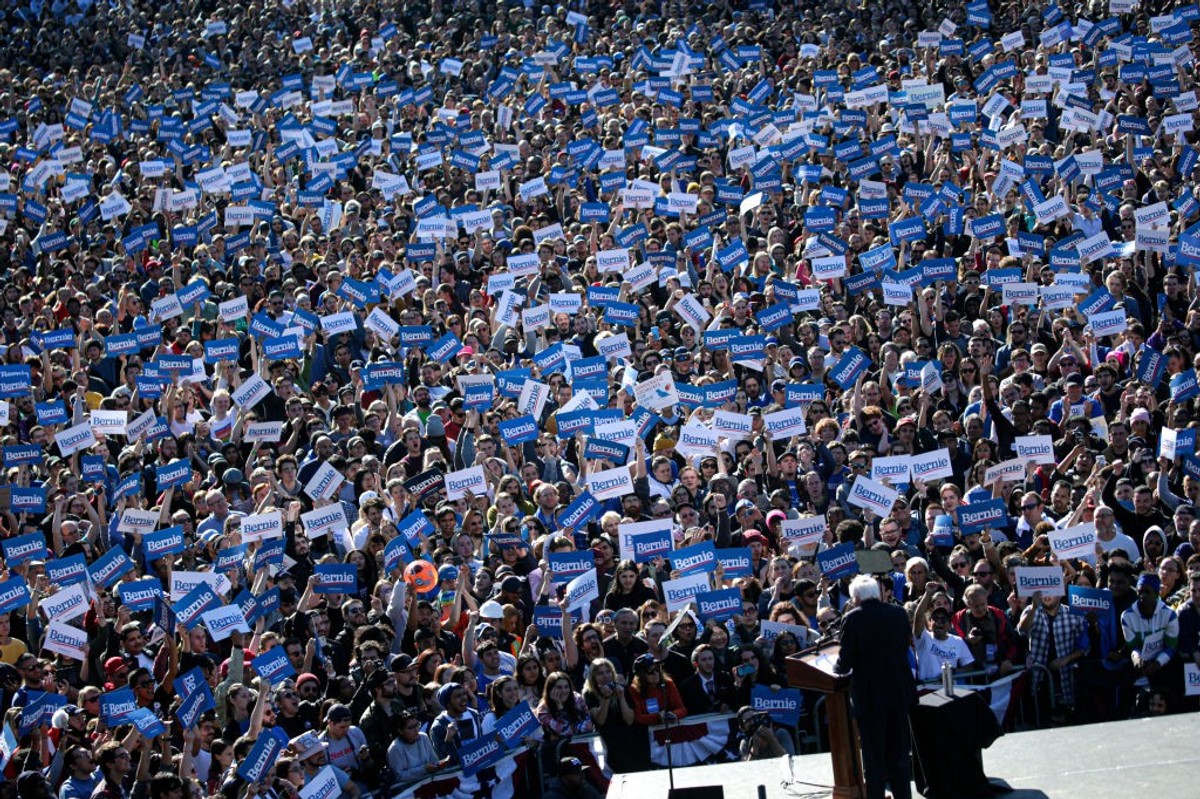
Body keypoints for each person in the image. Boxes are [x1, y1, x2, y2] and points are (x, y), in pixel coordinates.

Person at [836, 575, 916, 799]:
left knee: (874, 756)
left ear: (856, 598)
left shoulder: (853, 618)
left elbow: (846, 661)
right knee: (899, 753)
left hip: (870, 697)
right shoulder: (898, 613)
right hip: (898, 692)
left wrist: (837, 665)